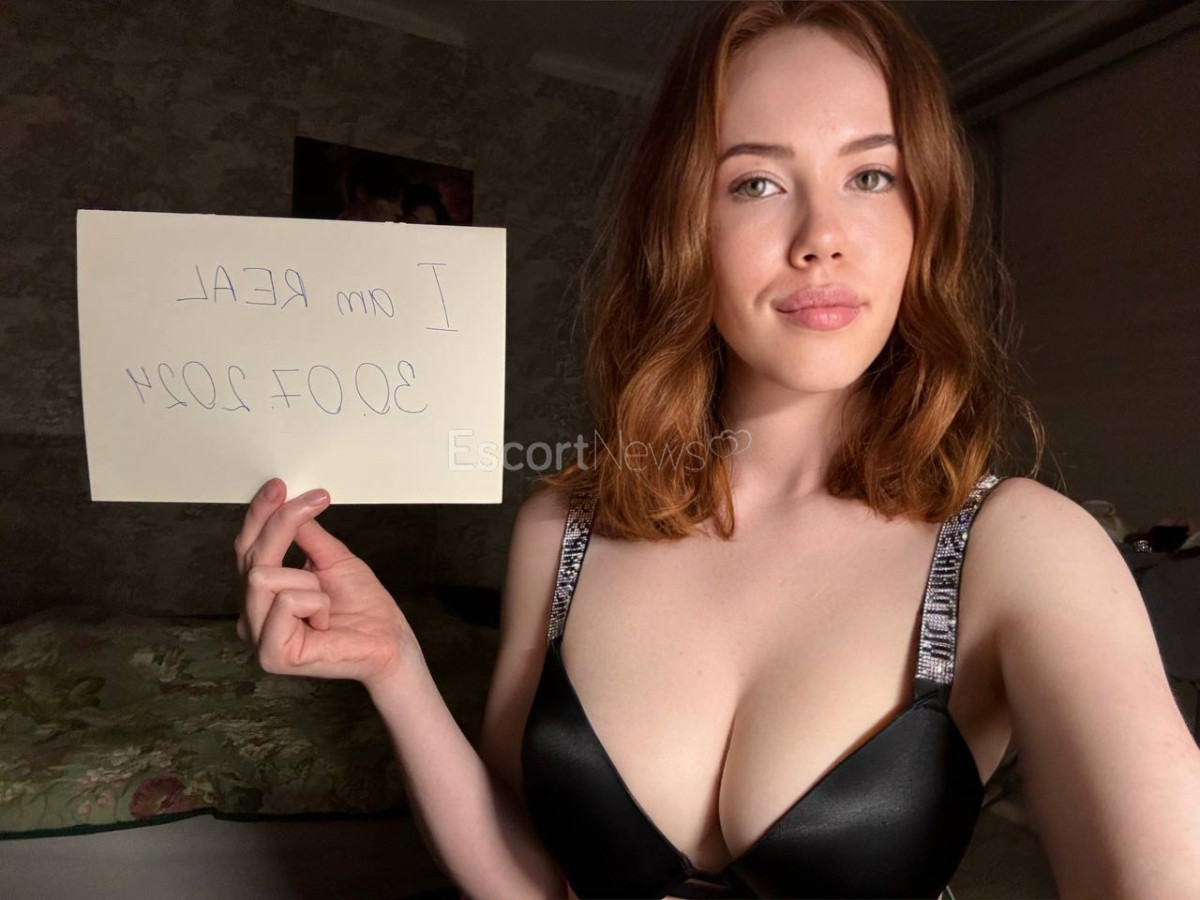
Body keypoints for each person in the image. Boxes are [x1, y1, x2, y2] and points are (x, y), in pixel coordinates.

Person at [233, 2, 1200, 897]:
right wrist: (395, 668)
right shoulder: (562, 531)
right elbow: (531, 883)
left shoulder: (1021, 548)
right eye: (756, 183)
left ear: (927, 217)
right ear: (684, 226)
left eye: (872, 175)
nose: (821, 237)